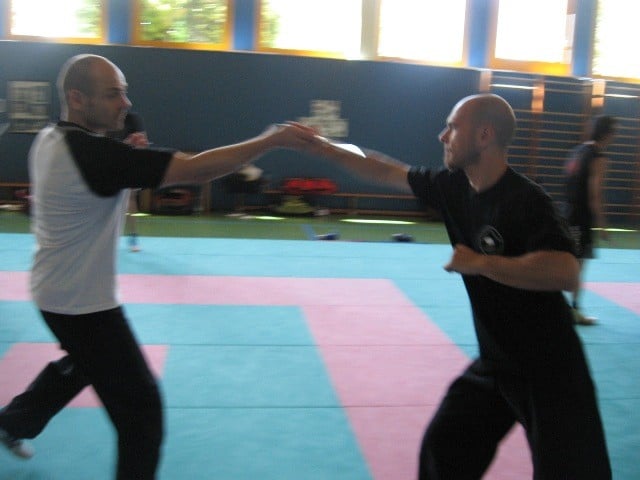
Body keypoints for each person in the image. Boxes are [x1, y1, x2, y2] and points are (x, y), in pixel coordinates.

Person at [0, 54, 320, 479]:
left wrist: (129, 158)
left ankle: (13, 422)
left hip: (53, 290)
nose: (126, 103)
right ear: (77, 98)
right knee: (142, 412)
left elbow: (101, 175)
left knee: (84, 363)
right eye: (112, 94)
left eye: (124, 92)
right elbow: (196, 169)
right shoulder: (92, 154)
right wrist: (270, 140)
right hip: (81, 305)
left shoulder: (51, 138)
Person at [314, 93, 611, 479]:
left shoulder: (526, 200)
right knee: (445, 448)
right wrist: (323, 147)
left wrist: (481, 263)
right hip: (497, 362)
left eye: (453, 127)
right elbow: (383, 169)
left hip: (552, 371)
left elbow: (566, 272)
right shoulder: (453, 187)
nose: (443, 136)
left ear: (484, 135)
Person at [565, 115, 617, 325]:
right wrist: (602, 225)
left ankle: (563, 307)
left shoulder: (578, 151)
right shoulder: (598, 157)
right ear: (608, 134)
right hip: (580, 218)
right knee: (577, 266)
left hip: (566, 214)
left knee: (566, 261)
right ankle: (574, 310)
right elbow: (595, 194)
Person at [108, 111, 149, 252]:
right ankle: (108, 236)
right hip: (109, 161)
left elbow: (143, 142)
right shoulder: (105, 119)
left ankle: (133, 236)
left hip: (128, 161)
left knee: (130, 197)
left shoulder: (133, 119)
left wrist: (135, 143)